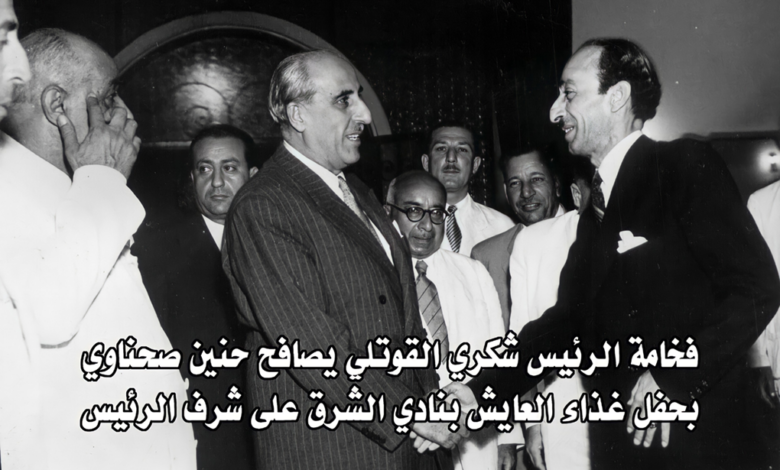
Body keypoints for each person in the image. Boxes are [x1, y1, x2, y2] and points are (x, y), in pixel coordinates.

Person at [441, 38, 780, 470]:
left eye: (569, 93)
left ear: (616, 97)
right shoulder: (595, 214)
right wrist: (475, 395)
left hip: (694, 447)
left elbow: (756, 287)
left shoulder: (681, 166)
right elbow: (565, 324)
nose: (555, 111)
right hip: (622, 449)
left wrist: (674, 379)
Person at [222, 50, 465, 470]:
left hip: (407, 447)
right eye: (343, 100)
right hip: (335, 450)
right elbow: (311, 346)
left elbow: (404, 318)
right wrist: (413, 413)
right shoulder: (263, 206)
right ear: (298, 115)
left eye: (360, 97)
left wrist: (430, 401)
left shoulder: (359, 193)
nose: (365, 114)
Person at [0, 28, 196, 469]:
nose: (125, 114)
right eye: (109, 98)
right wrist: (103, 178)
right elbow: (49, 313)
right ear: (57, 106)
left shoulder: (73, 185)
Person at [133, 124, 258, 470]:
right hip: (202, 433)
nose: (216, 182)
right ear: (192, 178)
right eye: (204, 169)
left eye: (229, 168)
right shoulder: (157, 247)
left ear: (254, 176)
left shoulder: (279, 241)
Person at [385, 170, 520, 470]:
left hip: (476, 436)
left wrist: (507, 436)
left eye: (436, 213)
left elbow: (500, 355)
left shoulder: (473, 271)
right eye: (413, 210)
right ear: (388, 212)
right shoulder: (377, 278)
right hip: (412, 440)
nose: (426, 225)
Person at [508, 157, 595, 470]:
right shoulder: (533, 243)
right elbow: (521, 342)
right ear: (576, 194)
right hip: (562, 413)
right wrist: (532, 424)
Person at [471, 147, 564, 329]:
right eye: (515, 183)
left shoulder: (587, 236)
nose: (526, 192)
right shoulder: (486, 257)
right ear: (506, 193)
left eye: (536, 179)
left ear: (557, 185)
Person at [422, 124, 514, 257]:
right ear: (426, 162)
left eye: (462, 149)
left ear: (475, 165)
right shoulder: (407, 226)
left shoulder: (502, 227)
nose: (451, 158)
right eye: (441, 148)